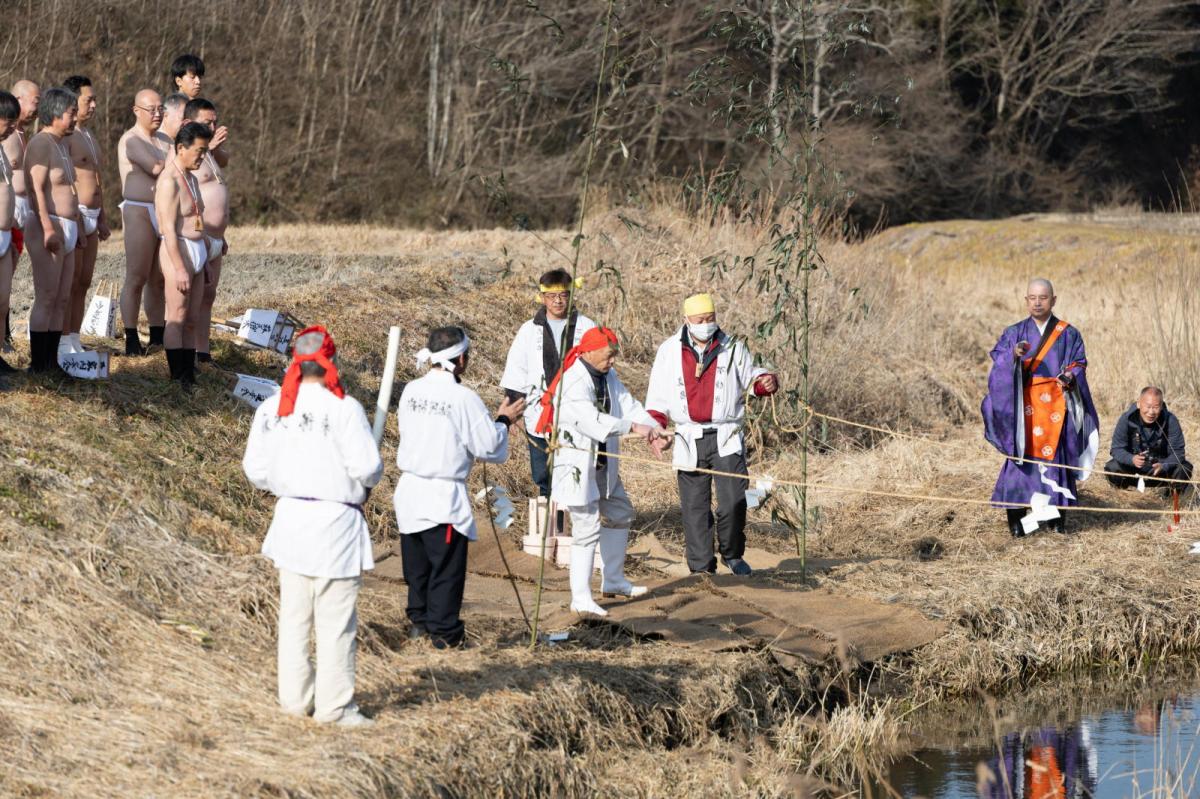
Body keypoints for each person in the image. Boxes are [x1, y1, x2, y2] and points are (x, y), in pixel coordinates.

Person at [241, 326, 382, 728]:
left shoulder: (272, 408)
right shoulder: (344, 408)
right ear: (331, 360)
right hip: (333, 523)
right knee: (335, 621)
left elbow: (256, 470)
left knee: (295, 617)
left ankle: (294, 699)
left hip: (290, 520)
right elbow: (368, 468)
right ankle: (334, 707)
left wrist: (289, 482)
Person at [393, 326, 526, 648]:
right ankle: (444, 635)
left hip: (409, 491)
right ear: (462, 358)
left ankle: (419, 625)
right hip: (441, 495)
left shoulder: (411, 389)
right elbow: (488, 446)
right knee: (445, 570)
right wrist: (504, 419)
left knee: (418, 567)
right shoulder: (462, 397)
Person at [536, 327, 669, 616]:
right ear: (589, 351)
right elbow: (591, 420)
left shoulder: (608, 376)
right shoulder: (572, 382)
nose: (612, 361)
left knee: (620, 511)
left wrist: (654, 430)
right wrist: (634, 427)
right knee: (586, 527)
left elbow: (629, 406)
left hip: (602, 461)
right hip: (576, 463)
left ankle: (614, 580)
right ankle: (580, 597)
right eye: (609, 355)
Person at [645, 293, 779, 575]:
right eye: (699, 320)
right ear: (686, 320)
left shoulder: (732, 346)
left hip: (726, 434)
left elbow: (751, 377)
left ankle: (733, 554)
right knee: (695, 507)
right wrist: (656, 427)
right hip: (687, 436)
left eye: (710, 319)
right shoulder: (669, 350)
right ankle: (701, 566)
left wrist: (765, 382)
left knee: (734, 499)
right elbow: (656, 396)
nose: (706, 324)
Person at [982, 279, 1100, 537]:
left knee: (1056, 460)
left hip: (1055, 407)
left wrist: (1069, 376)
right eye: (1032, 297)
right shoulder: (1014, 332)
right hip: (1024, 408)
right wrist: (1013, 355)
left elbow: (1079, 363)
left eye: (1043, 297)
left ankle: (1055, 520)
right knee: (1021, 460)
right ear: (1026, 300)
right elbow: (998, 363)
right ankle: (1018, 520)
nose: (1037, 302)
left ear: (1053, 300)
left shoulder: (1069, 333)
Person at [500, 268, 595, 497]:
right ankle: (549, 519)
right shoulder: (529, 330)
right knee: (544, 473)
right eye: (552, 296)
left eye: (563, 295)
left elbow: (600, 367)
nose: (558, 301)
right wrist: (514, 410)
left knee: (576, 471)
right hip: (538, 408)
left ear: (571, 295)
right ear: (542, 298)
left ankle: (575, 516)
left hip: (576, 410)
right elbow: (517, 369)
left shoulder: (587, 327)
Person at [23, 87, 79, 374]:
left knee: (62, 297)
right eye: (71, 113)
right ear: (55, 113)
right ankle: (39, 363)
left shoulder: (62, 144)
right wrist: (47, 227)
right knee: (46, 295)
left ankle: (52, 362)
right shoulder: (41, 143)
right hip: (48, 225)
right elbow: (37, 191)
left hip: (68, 226)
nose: (75, 118)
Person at [155, 122, 212, 386]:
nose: (202, 157)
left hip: (198, 250)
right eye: (199, 151)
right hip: (177, 249)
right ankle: (177, 375)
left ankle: (189, 373)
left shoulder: (190, 176)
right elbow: (167, 229)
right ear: (181, 148)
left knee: (193, 317)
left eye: (205, 151)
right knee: (177, 315)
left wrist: (206, 258)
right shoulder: (169, 181)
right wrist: (179, 267)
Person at [117, 89, 171, 355]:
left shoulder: (164, 139)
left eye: (161, 109)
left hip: (161, 208)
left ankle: (158, 335)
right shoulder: (131, 139)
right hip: (138, 209)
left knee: (158, 278)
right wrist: (169, 162)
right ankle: (130, 336)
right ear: (137, 110)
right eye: (152, 109)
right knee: (136, 275)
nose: (157, 114)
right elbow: (158, 168)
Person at [61, 75, 111, 355]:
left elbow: (97, 178)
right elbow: (67, 178)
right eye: (88, 100)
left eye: (94, 99)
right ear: (72, 101)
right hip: (76, 212)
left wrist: (102, 216)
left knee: (84, 280)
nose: (93, 105)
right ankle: (63, 339)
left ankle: (75, 337)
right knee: (70, 279)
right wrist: (77, 216)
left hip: (93, 213)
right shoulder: (67, 137)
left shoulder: (89, 136)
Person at [184, 98, 228, 365]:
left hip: (215, 237)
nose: (212, 126)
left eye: (214, 121)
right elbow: (190, 199)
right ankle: (185, 352)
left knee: (208, 297)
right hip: (197, 236)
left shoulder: (210, 155)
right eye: (206, 122)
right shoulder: (189, 155)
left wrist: (222, 235)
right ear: (189, 123)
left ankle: (203, 350)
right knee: (191, 297)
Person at [1, 80, 39, 352]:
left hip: (12, 222)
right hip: (4, 221)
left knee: (4, 292)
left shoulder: (12, 140)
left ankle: (3, 341)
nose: (12, 127)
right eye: (8, 121)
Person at [1104, 386, 1192, 493]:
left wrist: (1164, 466)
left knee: (1184, 468)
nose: (1151, 412)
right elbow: (1116, 449)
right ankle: (1123, 496)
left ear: (1161, 406)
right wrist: (1131, 459)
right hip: (1133, 470)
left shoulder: (1170, 420)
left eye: (1155, 407)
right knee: (1112, 467)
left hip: (1160, 471)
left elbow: (1178, 453)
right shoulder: (1126, 419)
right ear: (1139, 404)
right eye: (1148, 406)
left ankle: (1171, 499)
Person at [171, 54, 229, 168]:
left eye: (199, 77)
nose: (198, 81)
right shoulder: (172, 112)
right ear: (178, 81)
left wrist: (215, 146)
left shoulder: (203, 109)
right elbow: (173, 153)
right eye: (192, 77)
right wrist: (208, 147)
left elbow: (223, 162)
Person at [0, 91, 20, 373]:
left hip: (5, 233)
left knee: (2, 300)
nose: (13, 127)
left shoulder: (2, 148)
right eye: (8, 121)